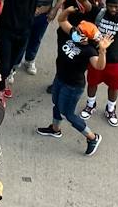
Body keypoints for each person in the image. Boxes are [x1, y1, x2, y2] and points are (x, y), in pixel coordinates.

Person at [36, 18, 105, 156]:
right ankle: (55, 129)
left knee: (68, 114)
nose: (75, 31)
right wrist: (68, 9)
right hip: (60, 78)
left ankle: (92, 137)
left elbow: (99, 66)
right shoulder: (72, 36)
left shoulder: (89, 51)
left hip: (73, 86)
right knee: (56, 103)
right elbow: (61, 20)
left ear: (86, 36)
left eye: (79, 31)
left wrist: (102, 51)